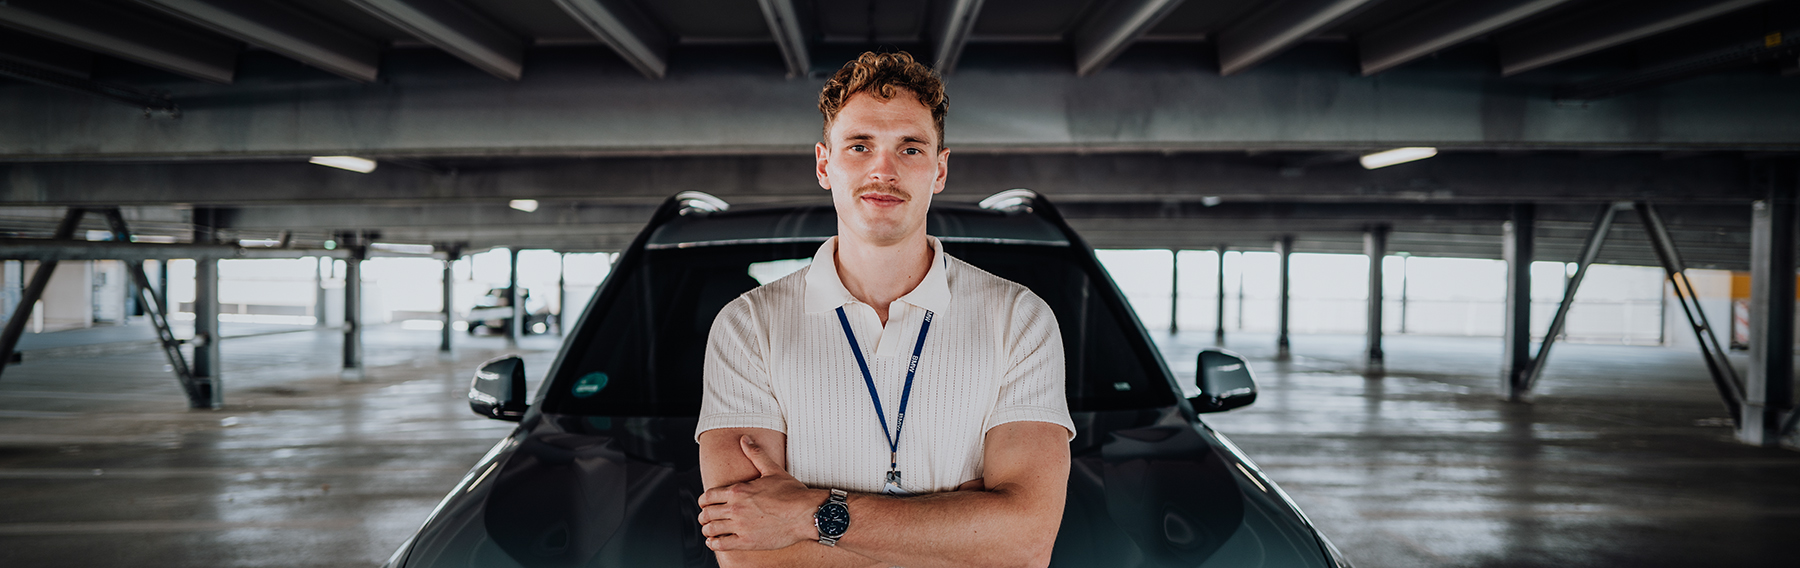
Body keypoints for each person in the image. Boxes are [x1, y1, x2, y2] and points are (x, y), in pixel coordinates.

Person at [693, 51, 1075, 568]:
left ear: (939, 170)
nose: (883, 169)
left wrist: (810, 514)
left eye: (910, 148)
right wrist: (963, 525)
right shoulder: (747, 326)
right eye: (859, 145)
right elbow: (749, 555)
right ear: (824, 164)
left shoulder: (1018, 318)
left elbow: (1024, 545)